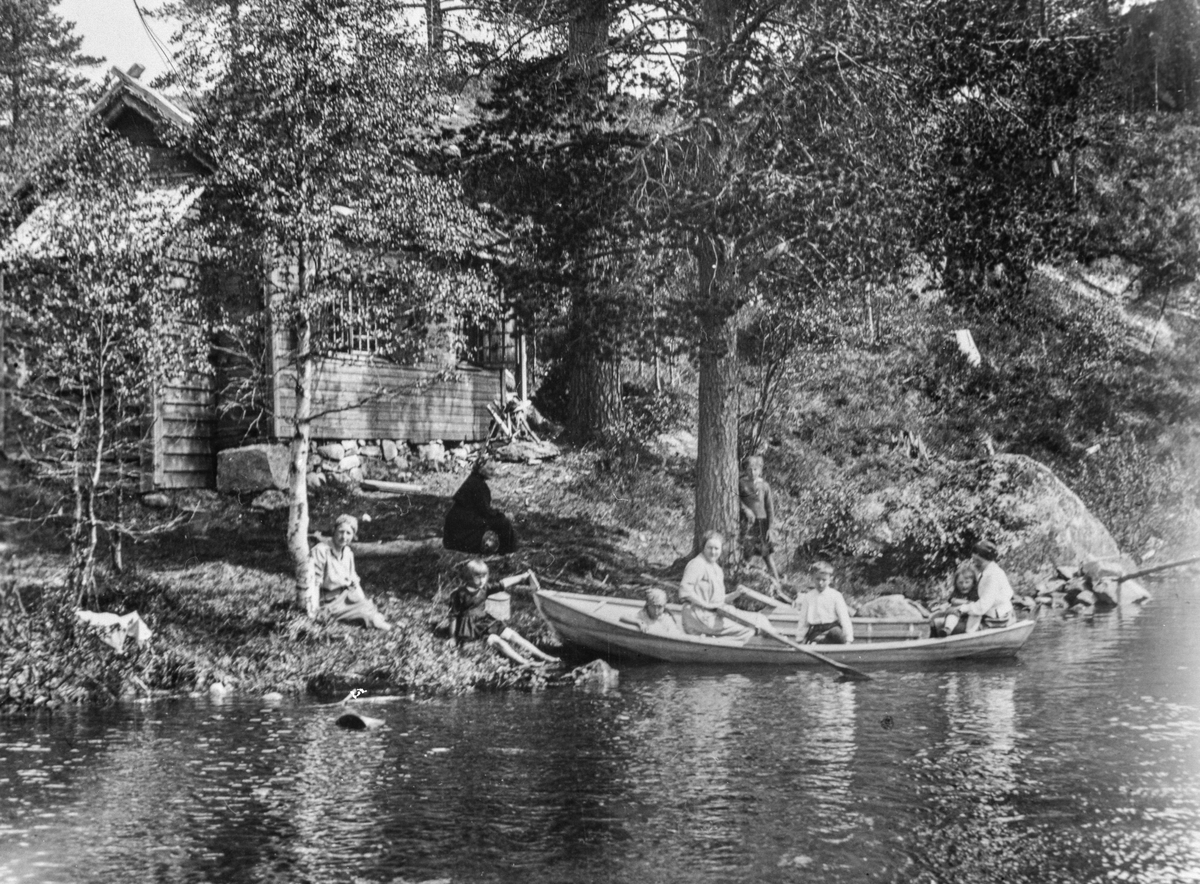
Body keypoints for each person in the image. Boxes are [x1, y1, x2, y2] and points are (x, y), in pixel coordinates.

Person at [448, 560, 560, 667]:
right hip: (470, 629)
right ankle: (524, 662)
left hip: (485, 622)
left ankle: (544, 656)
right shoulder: (459, 594)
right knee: (497, 641)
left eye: (484, 576)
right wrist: (452, 637)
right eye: (478, 577)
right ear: (469, 577)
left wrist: (522, 576)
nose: (482, 580)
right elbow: (453, 616)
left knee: (513, 635)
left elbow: (503, 583)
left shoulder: (485, 589)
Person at [310, 514, 392, 631]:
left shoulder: (348, 553)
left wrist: (362, 601)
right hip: (326, 601)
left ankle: (368, 615)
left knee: (369, 607)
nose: (344, 537)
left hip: (344, 596)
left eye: (348, 533)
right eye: (341, 532)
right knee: (367, 614)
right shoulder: (321, 550)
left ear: (353, 535)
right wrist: (314, 610)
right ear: (334, 531)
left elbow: (354, 581)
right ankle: (379, 623)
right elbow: (314, 583)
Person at [679, 531, 757, 642]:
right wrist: (705, 605)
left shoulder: (717, 569)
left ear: (721, 550)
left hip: (711, 616)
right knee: (747, 631)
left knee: (752, 624)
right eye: (709, 548)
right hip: (697, 616)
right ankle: (714, 645)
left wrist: (736, 594)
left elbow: (718, 600)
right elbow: (684, 591)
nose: (713, 552)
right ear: (703, 548)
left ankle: (712, 643)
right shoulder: (697, 564)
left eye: (716, 549)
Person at [443, 457, 517, 555]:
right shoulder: (478, 485)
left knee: (499, 521)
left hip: (459, 521)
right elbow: (485, 512)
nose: (493, 472)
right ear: (480, 469)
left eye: (494, 469)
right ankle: (506, 550)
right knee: (503, 522)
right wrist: (502, 515)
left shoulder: (474, 480)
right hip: (464, 524)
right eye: (490, 469)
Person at [940, 541, 1014, 635]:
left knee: (950, 627)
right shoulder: (986, 572)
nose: (973, 563)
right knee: (944, 620)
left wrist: (961, 609)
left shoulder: (993, 576)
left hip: (997, 618)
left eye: (975, 560)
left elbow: (982, 607)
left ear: (979, 558)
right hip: (986, 613)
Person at [738, 455, 781, 581]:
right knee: (747, 552)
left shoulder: (764, 486)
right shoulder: (741, 483)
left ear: (760, 470)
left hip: (762, 523)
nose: (752, 472)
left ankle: (777, 581)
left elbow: (769, 508)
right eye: (749, 469)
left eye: (755, 469)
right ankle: (743, 578)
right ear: (745, 470)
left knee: (767, 555)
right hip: (747, 523)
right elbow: (735, 498)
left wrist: (770, 527)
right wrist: (745, 509)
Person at [792, 561, 855, 644]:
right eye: (817, 579)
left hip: (833, 629)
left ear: (830, 580)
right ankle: (817, 643)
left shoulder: (835, 595)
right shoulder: (808, 597)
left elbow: (844, 618)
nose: (820, 583)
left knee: (836, 634)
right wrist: (799, 638)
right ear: (812, 578)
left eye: (824, 580)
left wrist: (848, 639)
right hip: (816, 630)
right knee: (814, 643)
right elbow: (803, 620)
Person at [930, 560, 980, 637]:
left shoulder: (974, 592)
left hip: (969, 616)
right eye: (960, 582)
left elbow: (974, 604)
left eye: (967, 582)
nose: (964, 585)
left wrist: (960, 602)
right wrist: (965, 602)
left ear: (973, 583)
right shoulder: (957, 592)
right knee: (952, 615)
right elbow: (952, 600)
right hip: (956, 614)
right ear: (956, 583)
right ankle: (947, 629)